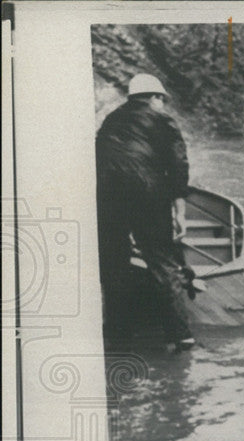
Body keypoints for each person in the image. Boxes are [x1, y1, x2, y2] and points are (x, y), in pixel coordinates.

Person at [96, 73, 193, 350]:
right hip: (149, 196)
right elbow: (178, 166)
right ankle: (180, 334)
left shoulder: (111, 119)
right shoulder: (162, 120)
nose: (162, 104)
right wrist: (180, 211)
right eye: (162, 100)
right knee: (163, 263)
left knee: (114, 265)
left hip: (107, 197)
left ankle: (118, 334)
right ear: (154, 98)